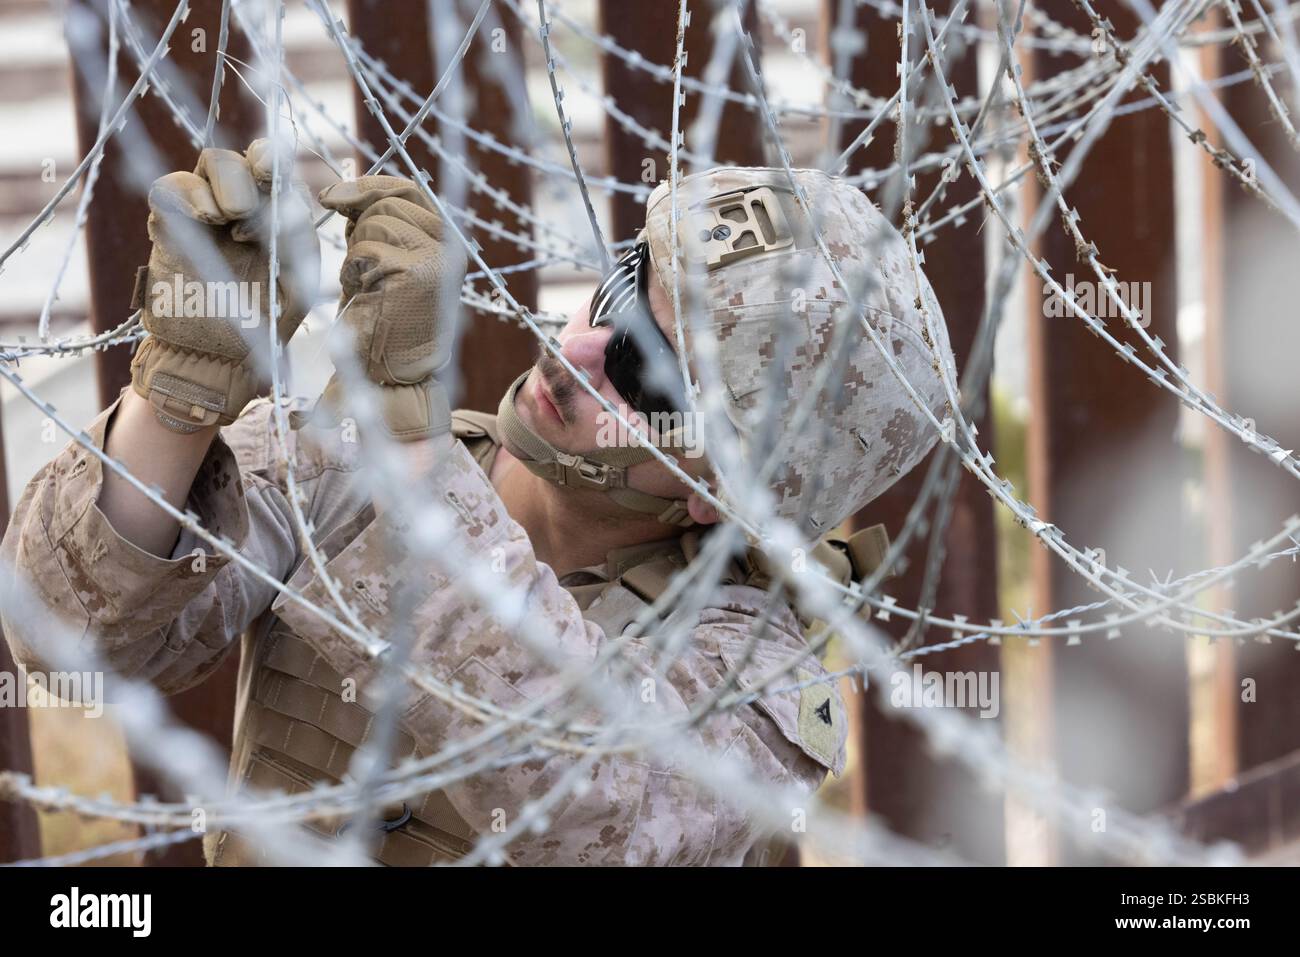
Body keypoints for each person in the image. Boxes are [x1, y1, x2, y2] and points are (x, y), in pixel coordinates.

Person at [0, 141, 956, 866]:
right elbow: (73, 637)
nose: (580, 352)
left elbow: (587, 805)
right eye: (621, 291)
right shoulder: (341, 466)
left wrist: (408, 454)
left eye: (649, 372)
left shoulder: (758, 675)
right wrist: (180, 395)